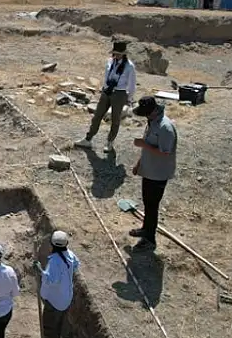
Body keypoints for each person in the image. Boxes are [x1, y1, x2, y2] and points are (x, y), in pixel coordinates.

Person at [130, 96, 178, 252]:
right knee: (147, 203)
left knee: (152, 206)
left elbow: (165, 152)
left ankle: (149, 239)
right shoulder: (152, 122)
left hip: (158, 173)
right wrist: (139, 164)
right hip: (149, 170)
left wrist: (143, 144)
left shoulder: (165, 128)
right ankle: (146, 230)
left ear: (151, 112)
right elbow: (149, 148)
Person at [76, 40, 136, 153]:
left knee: (115, 119)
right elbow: (106, 76)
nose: (117, 55)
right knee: (97, 116)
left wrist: (129, 100)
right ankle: (88, 139)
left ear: (124, 53)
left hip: (119, 93)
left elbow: (132, 85)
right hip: (107, 92)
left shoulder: (129, 66)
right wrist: (104, 89)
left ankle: (110, 142)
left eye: (119, 53)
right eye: (115, 52)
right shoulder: (110, 62)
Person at [33, 231, 80, 338]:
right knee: (57, 327)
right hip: (65, 299)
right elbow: (76, 265)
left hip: (55, 303)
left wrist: (40, 270)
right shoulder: (70, 255)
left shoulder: (55, 261)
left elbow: (51, 280)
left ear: (52, 245)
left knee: (49, 328)